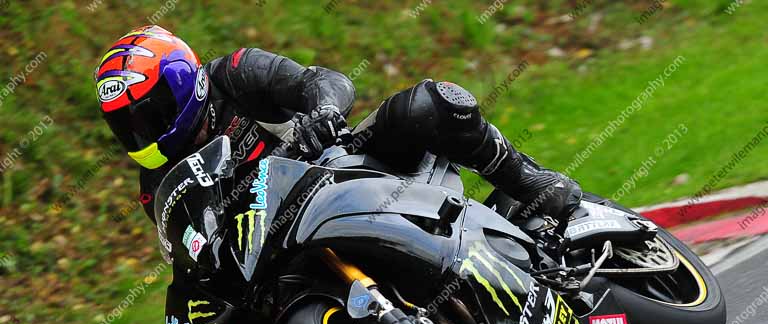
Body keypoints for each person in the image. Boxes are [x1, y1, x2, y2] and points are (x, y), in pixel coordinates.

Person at [95, 25, 581, 227]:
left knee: (426, 104)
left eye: (146, 113)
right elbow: (193, 246)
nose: (140, 131)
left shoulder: (236, 74)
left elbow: (323, 81)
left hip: (344, 167)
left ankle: (527, 180)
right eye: (126, 124)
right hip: (284, 241)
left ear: (183, 86)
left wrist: (322, 114)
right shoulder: (158, 184)